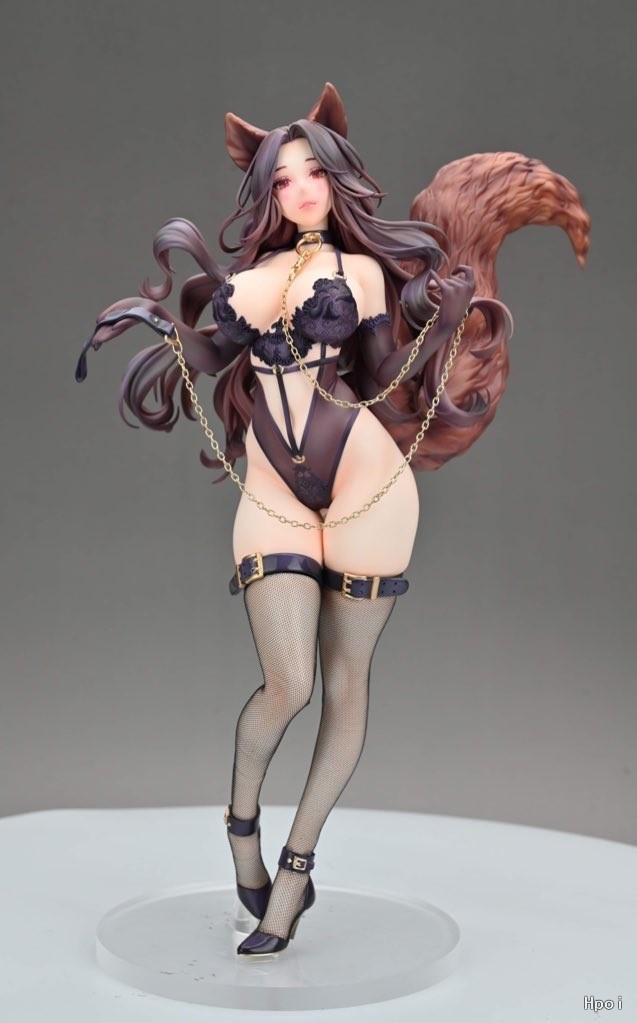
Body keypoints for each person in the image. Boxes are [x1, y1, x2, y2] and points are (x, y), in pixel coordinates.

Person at [76, 83, 588, 958]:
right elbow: (207, 352)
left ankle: (295, 870)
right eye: (283, 178)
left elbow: (384, 372)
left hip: (366, 480)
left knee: (345, 685)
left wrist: (443, 324)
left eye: (314, 172)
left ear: (339, 175)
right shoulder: (248, 281)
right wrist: (148, 323)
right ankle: (241, 828)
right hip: (273, 487)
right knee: (287, 685)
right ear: (264, 191)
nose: (302, 189)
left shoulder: (364, 274)